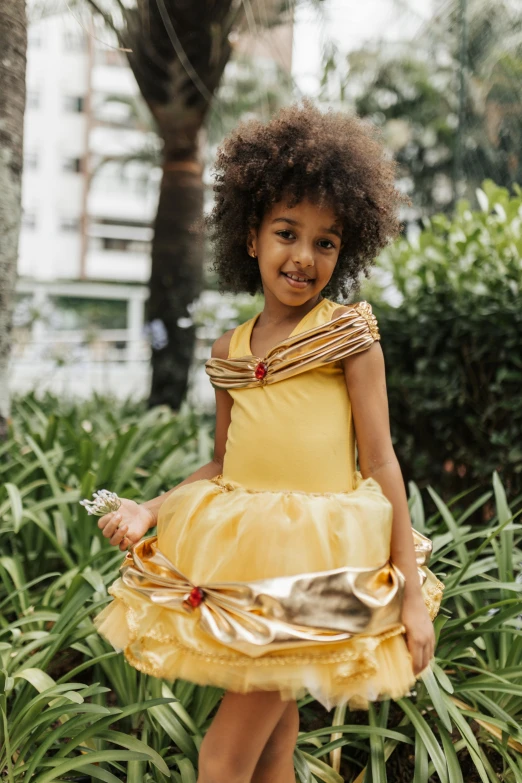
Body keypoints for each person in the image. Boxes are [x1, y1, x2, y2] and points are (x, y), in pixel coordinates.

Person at [94, 99, 444, 783]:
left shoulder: (349, 337)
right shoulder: (228, 353)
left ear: (346, 251)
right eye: (287, 232)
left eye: (325, 241)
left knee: (222, 757)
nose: (303, 256)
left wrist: (406, 592)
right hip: (249, 562)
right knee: (274, 744)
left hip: (316, 568)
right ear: (250, 236)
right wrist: (150, 510)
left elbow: (379, 459)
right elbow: (225, 464)